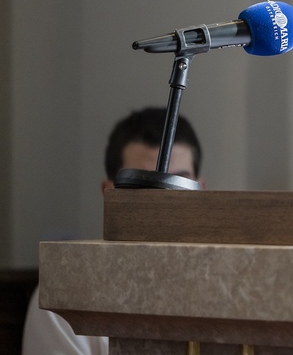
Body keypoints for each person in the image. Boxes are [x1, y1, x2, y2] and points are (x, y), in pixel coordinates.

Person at [21, 108, 203, 355]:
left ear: (201, 190)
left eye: (179, 185)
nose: (163, 205)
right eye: (142, 186)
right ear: (109, 193)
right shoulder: (64, 298)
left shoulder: (228, 284)